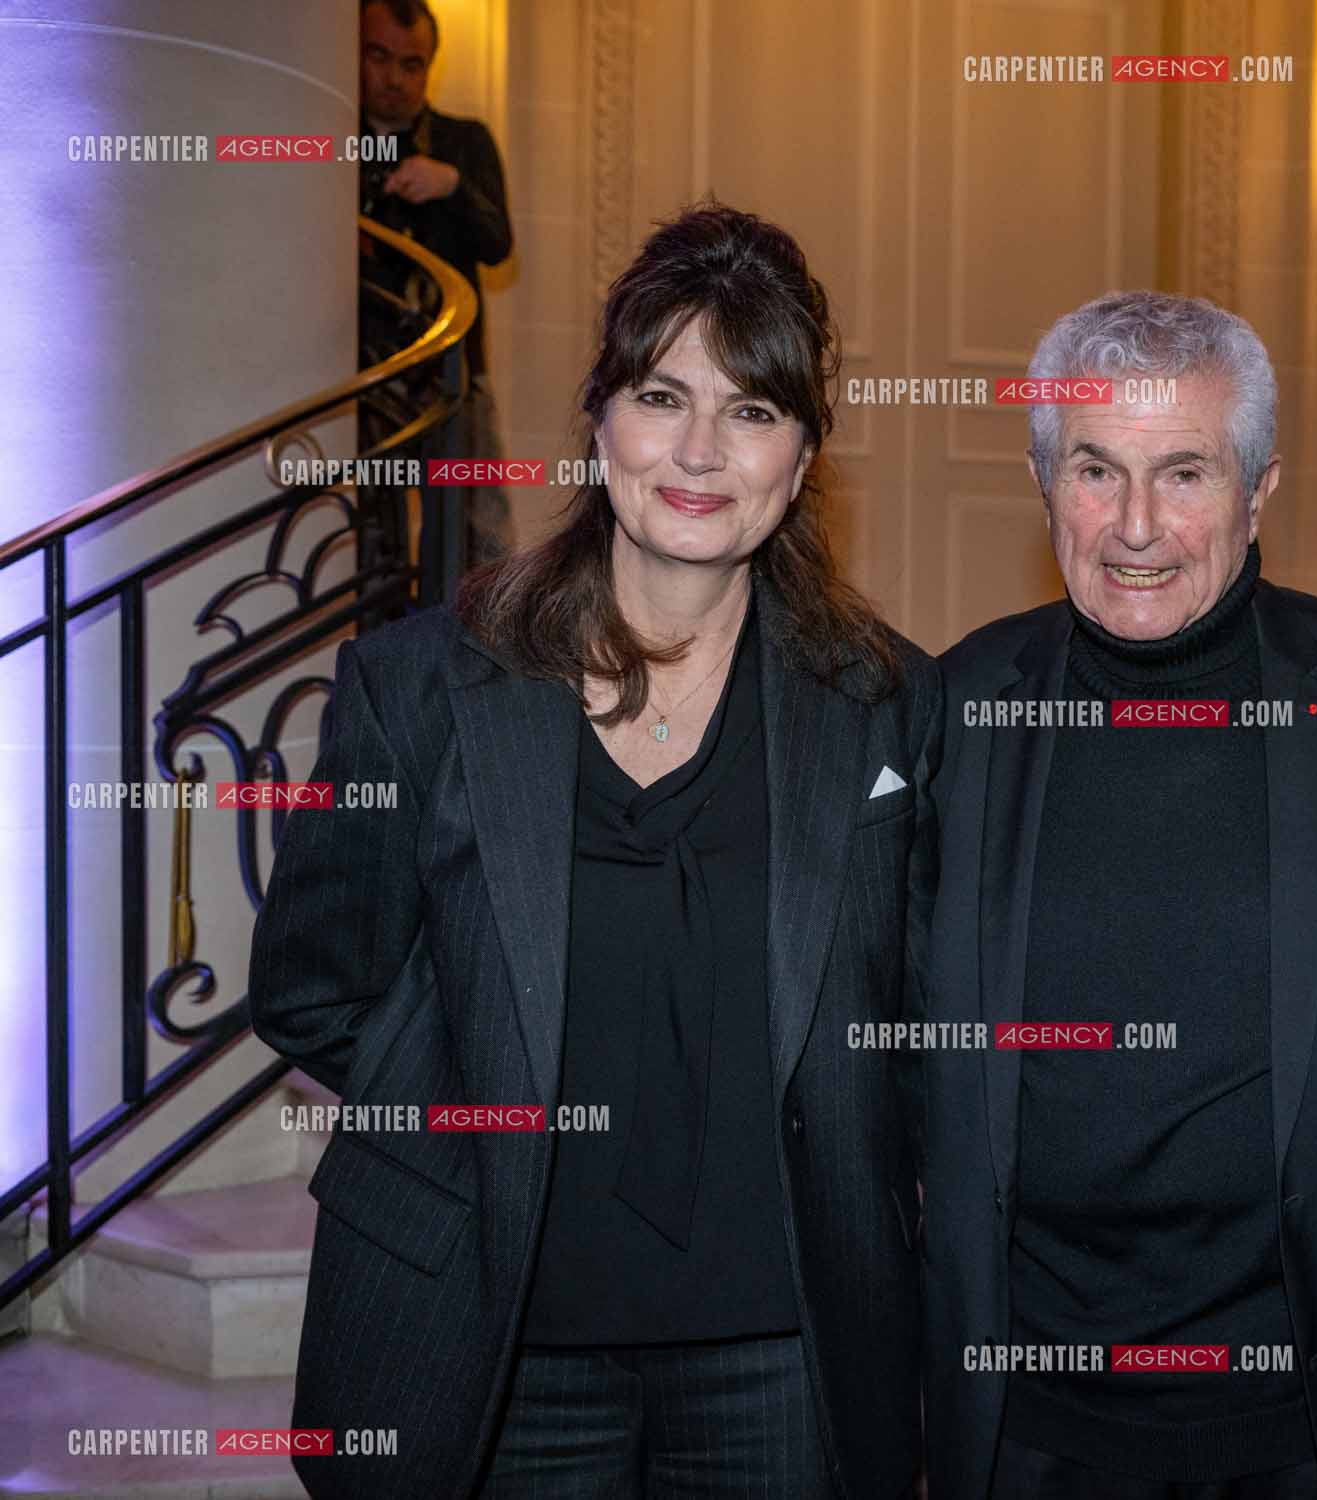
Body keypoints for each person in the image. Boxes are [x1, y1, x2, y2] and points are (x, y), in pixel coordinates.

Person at [251, 205, 934, 1499]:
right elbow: (313, 989)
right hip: (493, 1335)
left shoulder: (888, 703)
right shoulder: (420, 687)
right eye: (661, 395)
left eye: (750, 410)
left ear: (802, 455)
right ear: (600, 417)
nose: (698, 451)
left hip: (785, 1344)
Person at [915, 291, 1317, 1499]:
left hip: (1313, 1429)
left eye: (1184, 473)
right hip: (1024, 1428)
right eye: (1095, 471)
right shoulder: (948, 710)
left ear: (1260, 486)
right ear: (1042, 480)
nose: (1137, 528)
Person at [358, 0, 516, 565]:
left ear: (431, 66)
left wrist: (453, 186)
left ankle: (474, 628)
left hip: (454, 376)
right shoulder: (329, 139)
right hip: (359, 379)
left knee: (477, 537)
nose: (394, 78)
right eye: (379, 57)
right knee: (367, 541)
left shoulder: (463, 141)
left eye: (412, 64)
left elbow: (500, 246)